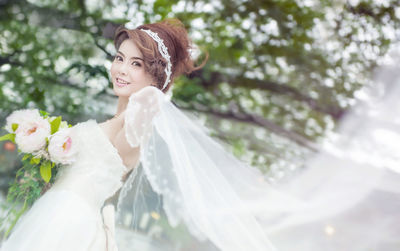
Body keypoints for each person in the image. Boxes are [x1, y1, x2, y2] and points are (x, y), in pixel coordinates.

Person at [1, 18, 400, 251]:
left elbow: (136, 129)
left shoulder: (142, 115)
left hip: (69, 223)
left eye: (136, 64)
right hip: (55, 211)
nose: (121, 69)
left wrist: (153, 97)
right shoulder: (117, 116)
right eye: (119, 58)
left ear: (154, 77)